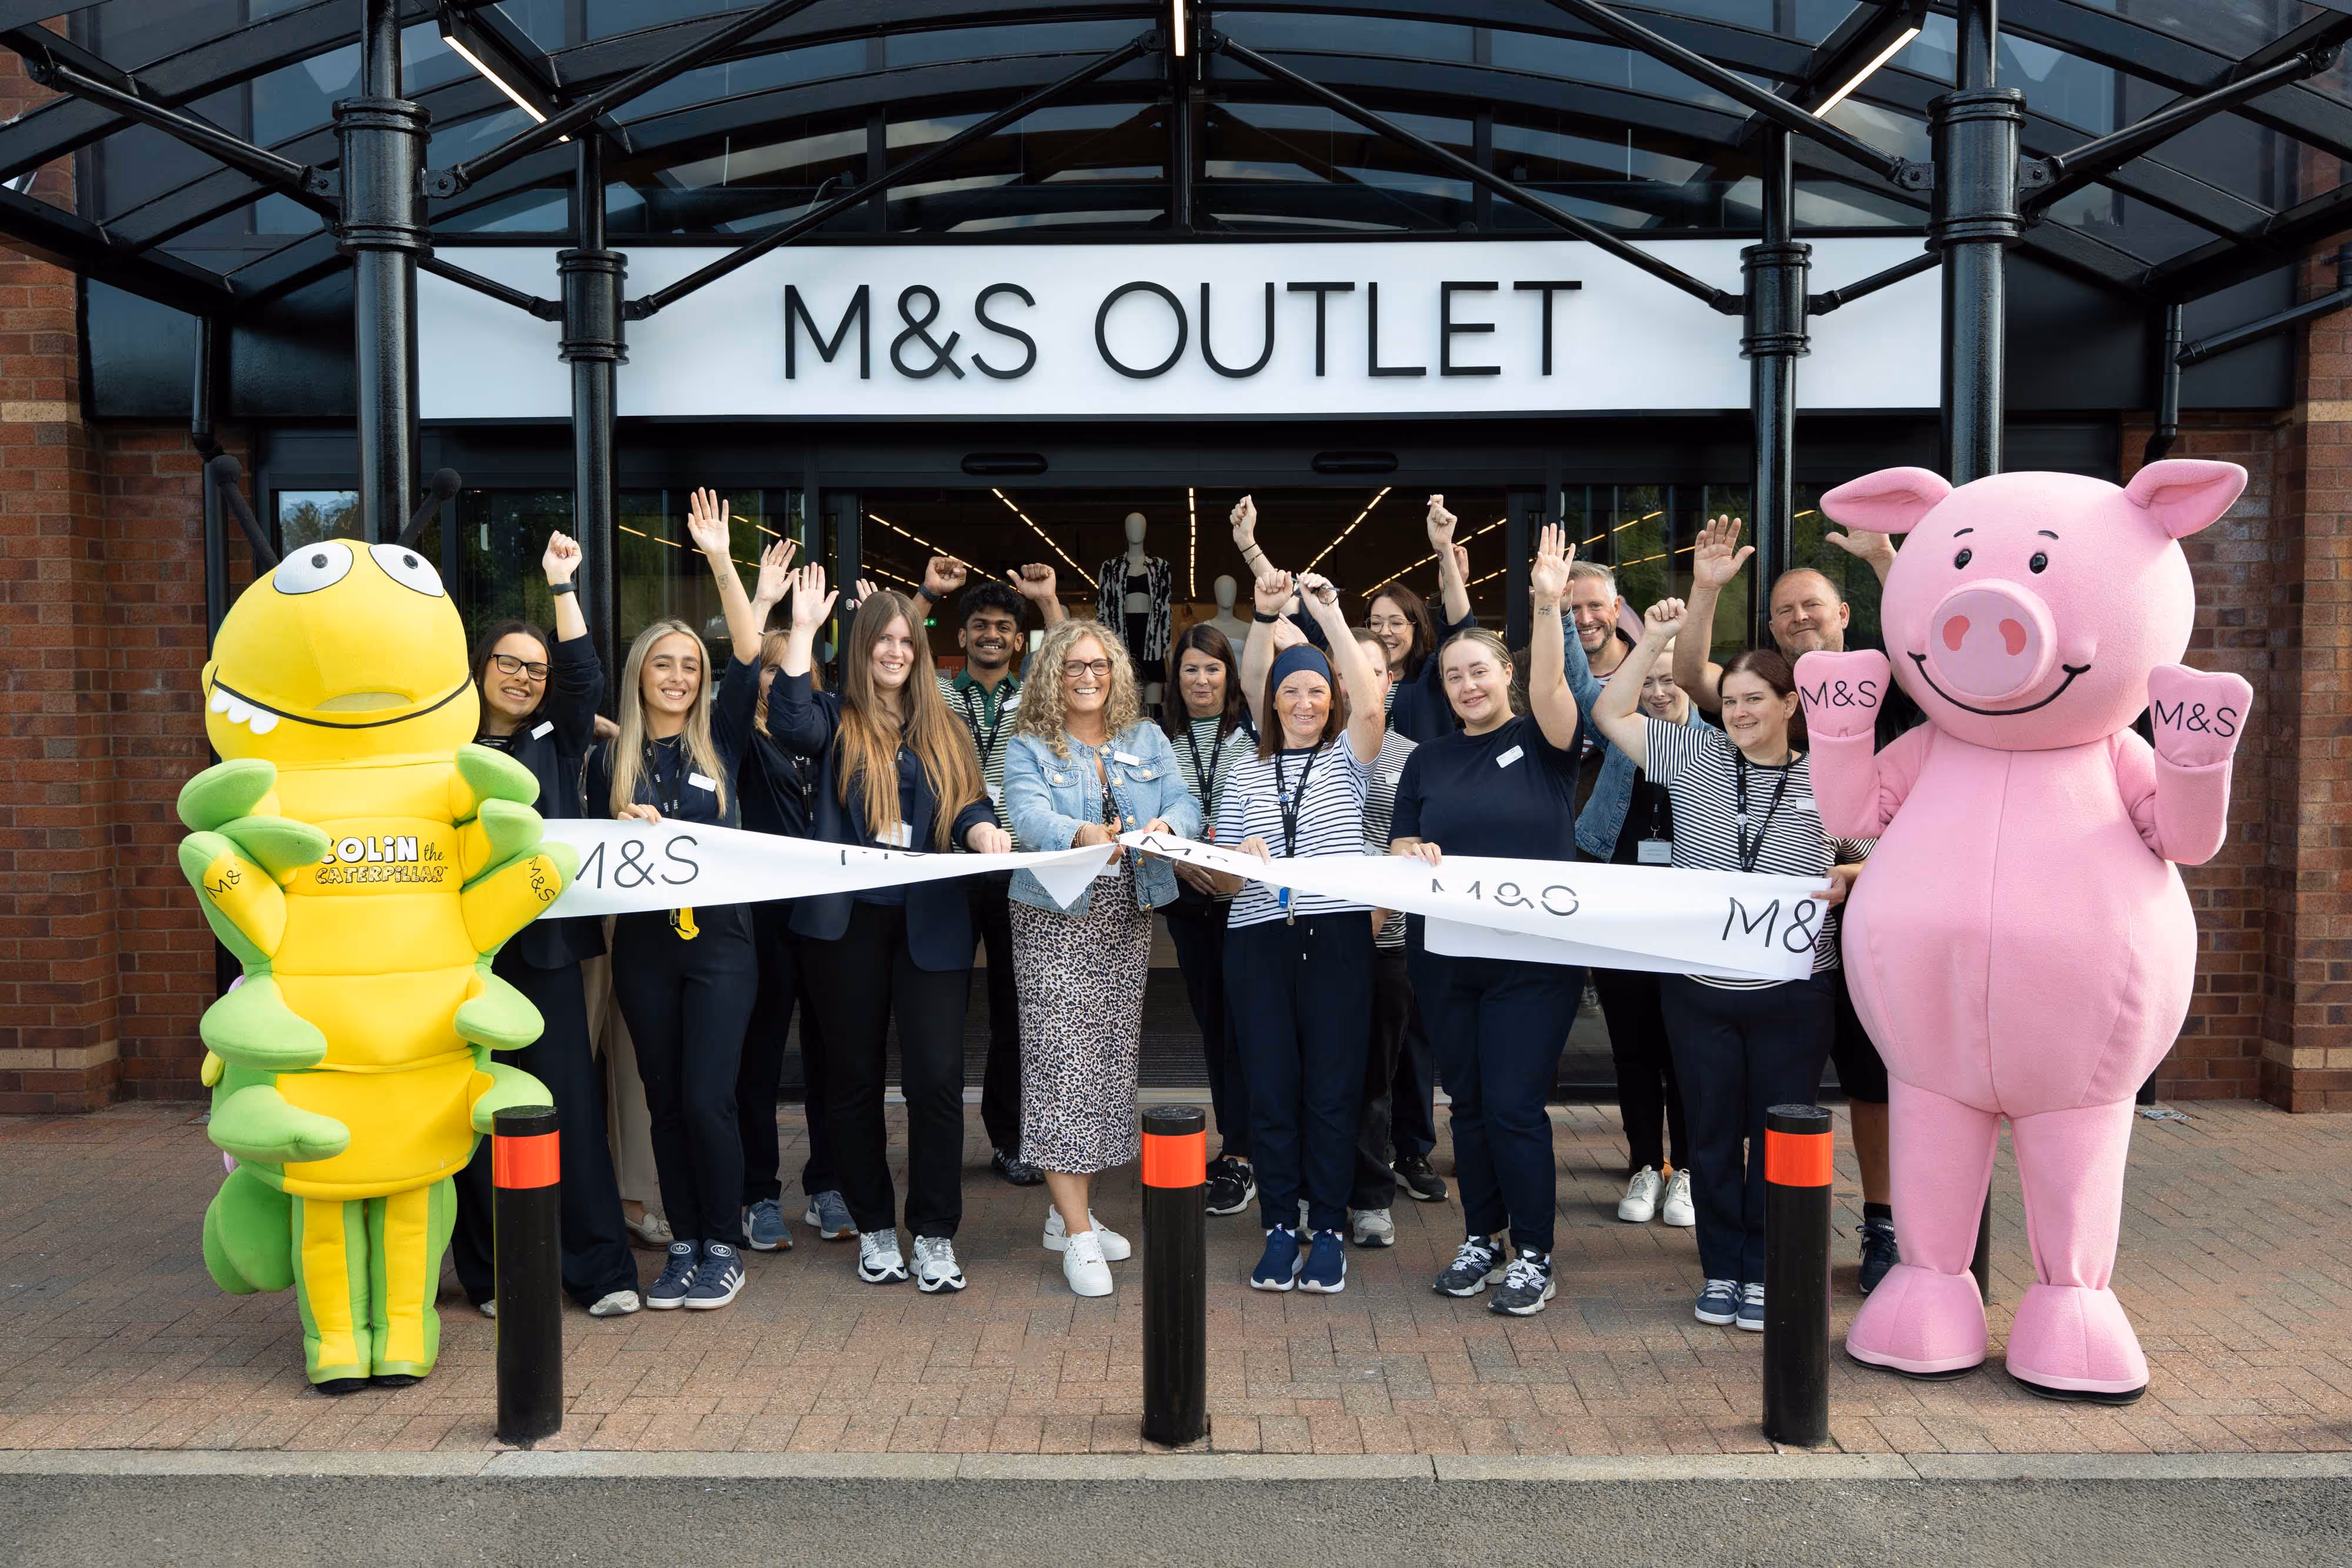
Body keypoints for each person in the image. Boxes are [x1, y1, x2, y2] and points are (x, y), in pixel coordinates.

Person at [1593, 599, 1872, 1332]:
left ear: (1790, 704)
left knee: (1780, 1138)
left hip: (1794, 993)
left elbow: (1877, 855)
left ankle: (1767, 1269)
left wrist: (1850, 877)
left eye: (1756, 700)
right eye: (1732, 701)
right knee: (1713, 1136)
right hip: (1699, 993)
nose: (1741, 712)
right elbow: (1610, 715)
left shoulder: (1829, 777)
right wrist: (1653, 635)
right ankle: (1721, 1269)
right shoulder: (1693, 755)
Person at [1672, 516, 1906, 1293]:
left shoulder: (1892, 677)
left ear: (1845, 613)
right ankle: (1743, 1253)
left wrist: (1885, 560)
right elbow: (1695, 674)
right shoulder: (1763, 692)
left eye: (1813, 605)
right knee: (1770, 1108)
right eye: (1784, 611)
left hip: (1869, 933)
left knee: (1873, 1082)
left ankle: (1883, 1223)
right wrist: (1705, 589)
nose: (1800, 618)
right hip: (1772, 955)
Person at [769, 564, 1010, 1295]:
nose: (897, 651)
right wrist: (804, 631)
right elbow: (788, 720)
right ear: (864, 646)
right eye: (886, 639)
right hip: (847, 930)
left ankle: (934, 1234)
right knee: (852, 1080)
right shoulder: (834, 721)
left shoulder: (945, 728)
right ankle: (876, 1225)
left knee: (936, 1082)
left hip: (931, 927)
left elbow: (968, 805)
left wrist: (982, 832)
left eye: (908, 640)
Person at [586, 490, 787, 1313]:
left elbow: (746, 652)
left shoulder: (725, 738)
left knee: (708, 1095)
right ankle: (686, 1242)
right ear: (640, 672)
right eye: (664, 662)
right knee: (664, 1097)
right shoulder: (608, 759)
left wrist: (719, 561)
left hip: (721, 948)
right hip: (643, 949)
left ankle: (724, 1242)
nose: (678, 674)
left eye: (688, 665)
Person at [1388, 525, 1589, 1316]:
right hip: (1446, 958)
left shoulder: (1544, 741)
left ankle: (1534, 1250)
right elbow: (1399, 839)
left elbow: (1554, 688)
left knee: (1512, 1104)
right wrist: (1408, 847)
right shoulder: (1427, 761)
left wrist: (1546, 605)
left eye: (1481, 670)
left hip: (1533, 960)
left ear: (1506, 674)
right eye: (1454, 675)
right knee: (1465, 1105)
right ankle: (1484, 1234)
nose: (1468, 684)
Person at [449, 532, 642, 1320]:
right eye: (511, 663)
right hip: (461, 956)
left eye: (537, 667)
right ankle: (496, 1273)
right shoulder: (443, 746)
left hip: (549, 949)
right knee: (477, 1108)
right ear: (480, 667)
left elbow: (587, 675)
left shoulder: (556, 736)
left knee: (566, 1105)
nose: (526, 677)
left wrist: (562, 585)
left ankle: (596, 1268)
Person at [1001, 622, 1198, 1296]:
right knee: (1062, 1065)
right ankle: (1079, 1235)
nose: (1087, 677)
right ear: (1052, 675)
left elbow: (1184, 801)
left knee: (1107, 1063)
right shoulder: (1029, 744)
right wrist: (1084, 834)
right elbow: (1023, 814)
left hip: (1125, 914)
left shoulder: (1145, 740)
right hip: (1054, 916)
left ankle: (1068, 1214)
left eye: (1099, 665)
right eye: (1072, 667)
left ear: (1115, 672)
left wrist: (1166, 828)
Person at [1214, 568, 1387, 1296]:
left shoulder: (1349, 758)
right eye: (1291, 690)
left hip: (1335, 939)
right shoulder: (1245, 772)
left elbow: (1372, 703)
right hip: (1258, 941)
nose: (1305, 701)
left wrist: (1330, 616)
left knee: (1331, 1089)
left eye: (1316, 690)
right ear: (1271, 702)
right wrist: (1233, 862)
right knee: (1272, 1089)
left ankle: (1328, 1228)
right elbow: (1218, 882)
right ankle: (1279, 1225)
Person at [915, 558, 1068, 1191]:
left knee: (1015, 1009)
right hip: (948, 865)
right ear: (961, 636)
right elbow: (891, 646)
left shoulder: (1034, 692)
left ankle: (1010, 1139)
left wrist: (1049, 601)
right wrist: (925, 595)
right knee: (940, 1011)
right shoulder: (936, 693)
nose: (990, 635)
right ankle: (938, 1136)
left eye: (1003, 627)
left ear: (1016, 639)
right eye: (979, 625)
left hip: (1017, 871)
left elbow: (1067, 654)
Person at [1556, 559, 1696, 1229]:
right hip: (1618, 908)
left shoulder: (1715, 745)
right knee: (1633, 1045)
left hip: (1690, 919)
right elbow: (1583, 683)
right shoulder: (1623, 734)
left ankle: (1689, 1170)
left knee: (1687, 1046)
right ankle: (1646, 1164)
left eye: (1672, 680)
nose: (1661, 693)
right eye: (1649, 682)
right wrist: (1554, 608)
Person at [734, 627, 854, 1250]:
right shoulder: (740, 742)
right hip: (764, 918)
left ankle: (827, 1185)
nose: (783, 679)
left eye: (796, 669)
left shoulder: (831, 728)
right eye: (770, 670)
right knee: (759, 1057)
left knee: (831, 1055)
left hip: (829, 911)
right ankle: (757, 1193)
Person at [1160, 623, 1258, 1217]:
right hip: (1189, 903)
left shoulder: (1254, 736)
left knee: (1244, 1030)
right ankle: (1237, 1146)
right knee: (1215, 1029)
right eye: (1191, 669)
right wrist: (1176, 867)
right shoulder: (1159, 740)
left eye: (1212, 668)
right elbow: (1145, 816)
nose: (1201, 679)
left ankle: (1244, 1154)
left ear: (1231, 676)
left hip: (1244, 905)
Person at [1347, 627, 1418, 1251]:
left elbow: (1419, 847)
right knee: (1314, 1076)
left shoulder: (1414, 756)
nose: (1358, 682)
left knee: (1373, 1079)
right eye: (1348, 670)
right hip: (1312, 941)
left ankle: (1371, 1198)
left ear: (1388, 681)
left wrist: (1376, 912)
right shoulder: (1309, 752)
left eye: (1372, 671)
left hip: (1385, 944)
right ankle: (1318, 1193)